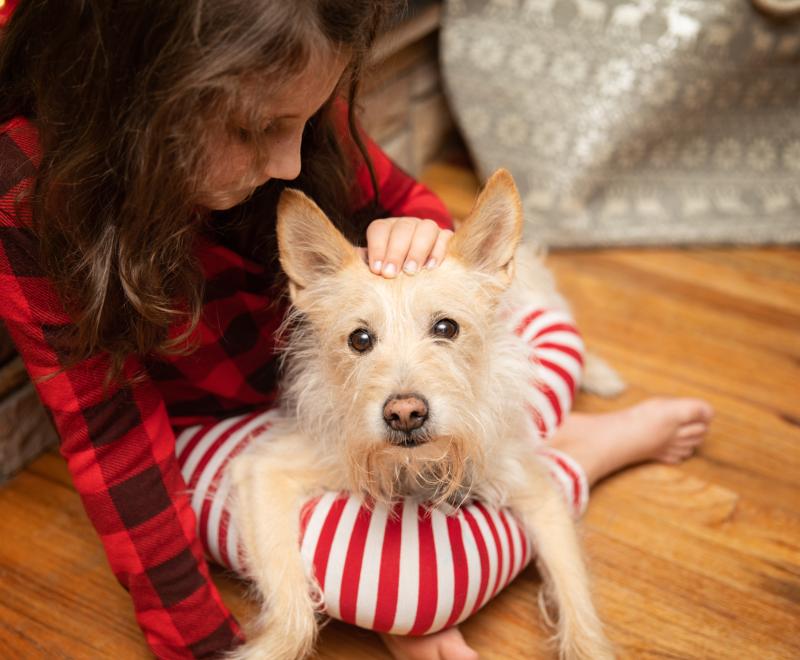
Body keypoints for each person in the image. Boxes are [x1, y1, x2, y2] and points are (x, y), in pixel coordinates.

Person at [0, 1, 713, 658]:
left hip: (364, 394)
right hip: (220, 423)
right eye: (258, 130)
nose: (291, 167)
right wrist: (199, 648)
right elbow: (113, 440)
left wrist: (421, 233)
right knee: (417, 591)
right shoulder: (28, 196)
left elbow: (408, 205)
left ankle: (561, 453)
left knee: (542, 339)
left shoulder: (291, 60)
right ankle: (566, 460)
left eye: (305, 125)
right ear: (145, 104)